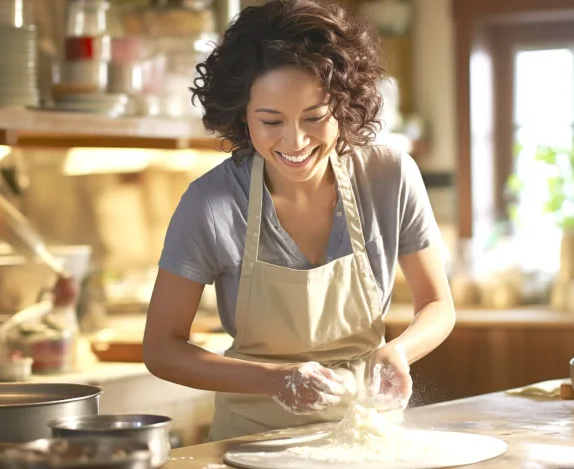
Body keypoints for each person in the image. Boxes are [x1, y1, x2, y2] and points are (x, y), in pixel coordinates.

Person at [143, 0, 456, 442]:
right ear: (242, 116)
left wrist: (398, 351)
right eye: (270, 121)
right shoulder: (211, 203)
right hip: (251, 440)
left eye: (315, 118)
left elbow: (438, 305)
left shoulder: (389, 177)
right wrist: (273, 378)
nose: (295, 141)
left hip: (364, 435)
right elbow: (161, 349)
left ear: (344, 105)